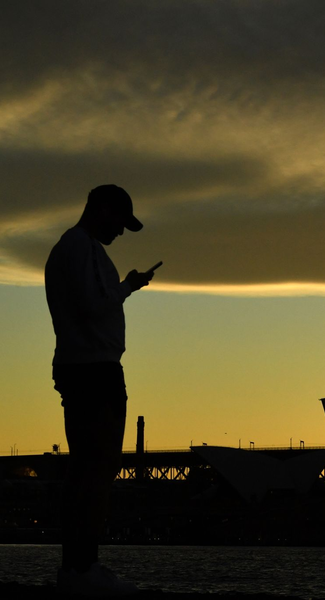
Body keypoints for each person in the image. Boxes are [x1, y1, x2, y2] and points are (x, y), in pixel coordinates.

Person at [45, 184, 155, 596]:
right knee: (97, 468)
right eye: (120, 223)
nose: (121, 233)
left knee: (87, 469)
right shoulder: (82, 248)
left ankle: (77, 566)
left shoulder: (73, 248)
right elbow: (94, 304)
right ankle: (82, 567)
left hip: (83, 366)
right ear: (102, 209)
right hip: (94, 369)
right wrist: (126, 287)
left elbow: (91, 301)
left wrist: (126, 286)